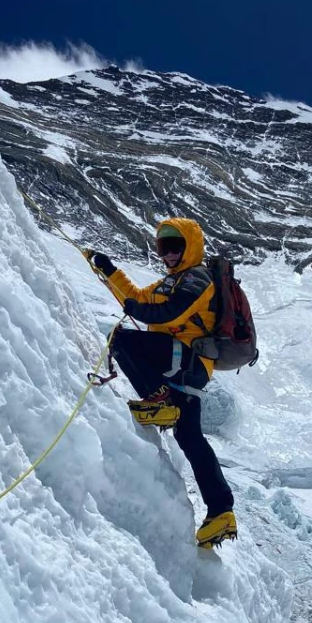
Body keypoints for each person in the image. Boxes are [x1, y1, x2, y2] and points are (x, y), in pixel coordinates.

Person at [84, 218, 237, 548]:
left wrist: (135, 307)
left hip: (185, 362)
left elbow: (165, 314)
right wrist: (108, 271)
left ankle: (159, 402)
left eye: (174, 246)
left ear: (190, 246)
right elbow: (138, 296)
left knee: (121, 340)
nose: (167, 254)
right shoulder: (174, 281)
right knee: (190, 437)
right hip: (185, 372)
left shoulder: (197, 279)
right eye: (162, 247)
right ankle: (220, 511)